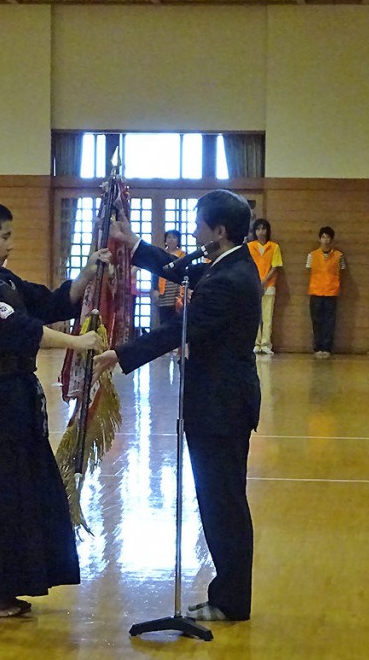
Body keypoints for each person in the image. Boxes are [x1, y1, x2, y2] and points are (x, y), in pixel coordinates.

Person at [93, 190, 261, 622]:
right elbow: (177, 268)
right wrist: (131, 243)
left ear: (218, 231)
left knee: (222, 502)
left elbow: (177, 331)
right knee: (219, 500)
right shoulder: (227, 261)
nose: (193, 230)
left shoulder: (229, 280)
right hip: (217, 400)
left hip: (221, 406)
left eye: (199, 223)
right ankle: (228, 595)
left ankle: (231, 601)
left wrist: (122, 354)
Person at [0, 200, 105, 618]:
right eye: (5, 236)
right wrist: (78, 343)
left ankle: (7, 585)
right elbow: (21, 329)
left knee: (18, 492)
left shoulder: (2, 279)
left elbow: (48, 303)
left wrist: (87, 273)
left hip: (14, 396)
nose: (10, 244)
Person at [306, 226, 346, 359]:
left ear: (332, 239)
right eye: (323, 237)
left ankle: (327, 348)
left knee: (329, 322)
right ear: (319, 239)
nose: (325, 240)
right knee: (316, 321)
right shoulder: (312, 255)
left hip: (331, 292)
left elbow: (342, 271)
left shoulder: (339, 256)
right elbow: (309, 269)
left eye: (328, 237)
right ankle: (317, 348)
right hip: (316, 291)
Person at [248, 218, 282, 355]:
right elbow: (248, 265)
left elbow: (275, 267)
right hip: (253, 286)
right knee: (255, 316)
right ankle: (256, 343)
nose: (261, 232)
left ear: (268, 231)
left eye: (263, 229)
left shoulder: (274, 247)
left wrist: (263, 281)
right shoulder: (250, 246)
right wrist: (256, 281)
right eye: (258, 229)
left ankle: (266, 344)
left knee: (267, 317)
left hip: (269, 286)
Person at [153, 229, 185, 327]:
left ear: (178, 240)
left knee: (177, 320)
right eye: (169, 237)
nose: (171, 240)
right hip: (164, 291)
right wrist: (155, 289)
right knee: (164, 321)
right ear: (165, 240)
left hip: (178, 292)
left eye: (174, 238)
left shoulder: (183, 255)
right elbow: (155, 272)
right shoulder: (161, 254)